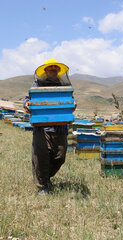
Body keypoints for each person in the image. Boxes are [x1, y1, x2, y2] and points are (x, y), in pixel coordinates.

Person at [24, 58, 76, 194]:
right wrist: (27, 105)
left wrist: (73, 105)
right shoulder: (37, 85)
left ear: (58, 71)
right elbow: (27, 99)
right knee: (41, 156)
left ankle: (46, 177)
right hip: (41, 127)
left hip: (60, 127)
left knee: (60, 156)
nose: (53, 70)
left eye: (55, 68)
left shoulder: (64, 86)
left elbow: (70, 101)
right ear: (46, 70)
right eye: (50, 68)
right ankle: (43, 186)